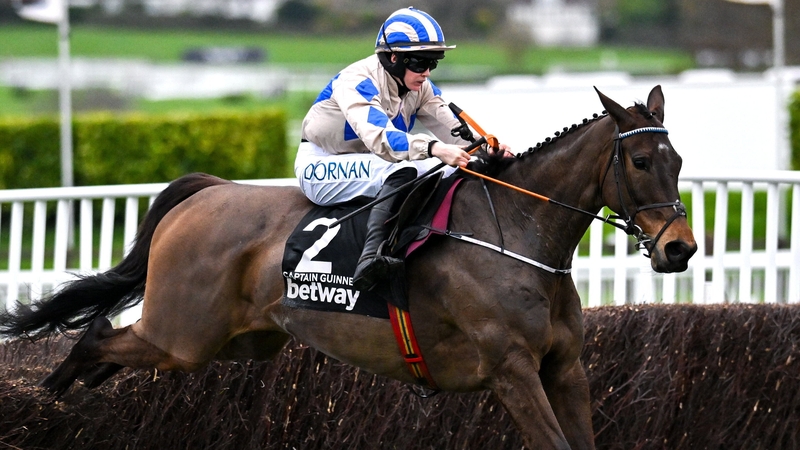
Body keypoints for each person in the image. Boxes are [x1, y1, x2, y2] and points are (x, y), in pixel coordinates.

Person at [295, 7, 509, 292]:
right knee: (411, 167)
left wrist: (487, 149)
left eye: (434, 62)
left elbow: (456, 131)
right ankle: (370, 258)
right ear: (393, 57)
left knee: (443, 167)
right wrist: (434, 147)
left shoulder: (421, 87)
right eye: (420, 63)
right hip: (321, 164)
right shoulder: (357, 81)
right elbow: (382, 140)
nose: (427, 72)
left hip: (369, 162)